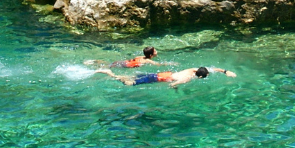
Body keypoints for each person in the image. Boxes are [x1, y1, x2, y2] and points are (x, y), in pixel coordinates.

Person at [96, 65, 236, 88]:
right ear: (200, 77)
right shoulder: (187, 79)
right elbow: (172, 85)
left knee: (132, 76)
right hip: (156, 79)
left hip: (161, 74)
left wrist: (225, 71)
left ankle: (113, 73)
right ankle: (110, 74)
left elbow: (210, 68)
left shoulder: (192, 70)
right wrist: (176, 90)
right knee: (129, 84)